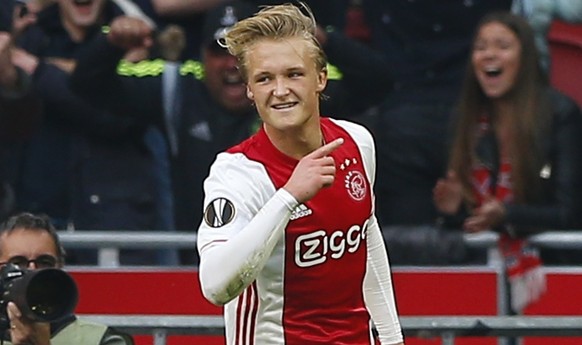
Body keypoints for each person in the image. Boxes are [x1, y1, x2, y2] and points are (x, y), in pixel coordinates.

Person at [196, 4, 404, 344]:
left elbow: (367, 240)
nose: (280, 90)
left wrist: (394, 339)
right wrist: (288, 197)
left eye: (294, 74)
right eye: (264, 78)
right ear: (250, 89)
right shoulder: (238, 173)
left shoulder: (356, 142)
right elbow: (215, 285)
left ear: (320, 78)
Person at [70, 1, 261, 265]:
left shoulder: (291, 92)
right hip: (191, 264)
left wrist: (327, 42)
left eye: (243, 52)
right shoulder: (176, 87)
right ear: (202, 56)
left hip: (274, 261)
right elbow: (86, 85)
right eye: (220, 51)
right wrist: (110, 44)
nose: (232, 64)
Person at [433, 11, 582, 311]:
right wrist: (452, 211)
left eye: (502, 45)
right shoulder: (464, 120)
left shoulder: (559, 113)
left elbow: (571, 212)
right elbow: (468, 223)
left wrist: (507, 214)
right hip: (481, 277)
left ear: (524, 57)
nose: (489, 55)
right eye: (481, 47)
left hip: (553, 272)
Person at [0, 212, 134, 344]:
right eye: (18, 263)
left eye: (45, 263)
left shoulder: (100, 339)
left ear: (60, 267)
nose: (32, 271)